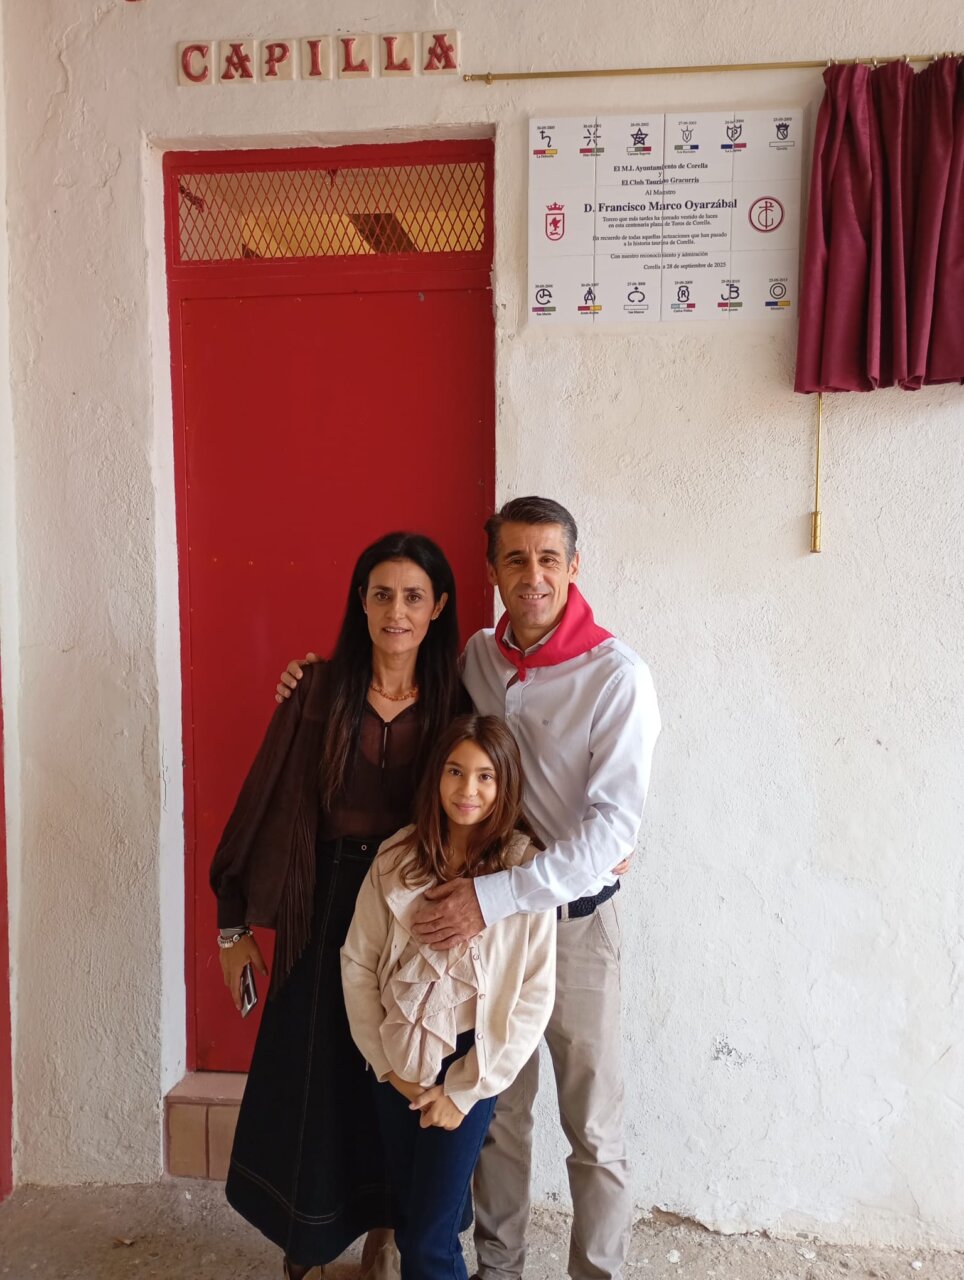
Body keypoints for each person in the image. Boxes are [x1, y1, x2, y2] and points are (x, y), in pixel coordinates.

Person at [277, 496, 661, 1280]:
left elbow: (613, 833)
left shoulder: (617, 675)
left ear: (575, 566)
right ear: (491, 572)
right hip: (483, 924)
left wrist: (498, 896)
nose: (533, 575)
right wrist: (314, 678)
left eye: (549, 558)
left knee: (592, 1124)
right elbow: (398, 674)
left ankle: (598, 1272)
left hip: (570, 924)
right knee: (495, 1119)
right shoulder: (479, 658)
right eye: (515, 559)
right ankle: (498, 1269)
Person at [210, 531, 463, 1280]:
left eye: (413, 596)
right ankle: (307, 1239)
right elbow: (264, 801)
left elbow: (486, 800)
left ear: (438, 607)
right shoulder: (316, 691)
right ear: (361, 602)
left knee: (398, 1070)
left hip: (413, 910)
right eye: (382, 594)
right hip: (320, 905)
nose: (396, 611)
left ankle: (388, 1231)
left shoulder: (455, 701)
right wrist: (232, 926)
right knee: (314, 1082)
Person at [341, 714, 556, 1280]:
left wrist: (464, 1092)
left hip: (469, 1062)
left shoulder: (525, 872)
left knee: (428, 1242)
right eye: (456, 772)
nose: (468, 790)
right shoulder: (396, 858)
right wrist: (388, 1068)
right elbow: (358, 963)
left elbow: (533, 996)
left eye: (485, 776)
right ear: (436, 775)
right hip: (397, 1058)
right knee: (415, 1222)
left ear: (505, 784)